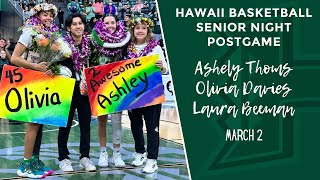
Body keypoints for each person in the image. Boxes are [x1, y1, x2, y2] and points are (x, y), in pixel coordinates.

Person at [10, 3, 58, 178]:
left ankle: (35, 161)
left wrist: (50, 69)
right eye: (45, 15)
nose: (48, 18)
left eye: (50, 15)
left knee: (40, 122)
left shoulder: (50, 35)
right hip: (29, 81)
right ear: (37, 16)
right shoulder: (29, 33)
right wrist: (36, 67)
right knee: (33, 123)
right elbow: (15, 58)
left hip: (42, 82)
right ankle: (25, 165)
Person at [127, 17, 168, 173]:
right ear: (133, 30)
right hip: (133, 94)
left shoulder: (155, 48)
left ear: (148, 30)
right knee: (135, 125)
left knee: (152, 127)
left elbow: (165, 70)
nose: (140, 30)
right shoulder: (127, 48)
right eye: (137, 28)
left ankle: (152, 159)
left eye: (143, 28)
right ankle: (140, 152)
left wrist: (162, 67)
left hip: (151, 94)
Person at [57, 13, 96, 172]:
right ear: (68, 27)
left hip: (85, 90)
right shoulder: (61, 45)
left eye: (80, 23)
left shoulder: (90, 44)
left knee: (86, 124)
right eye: (74, 24)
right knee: (64, 125)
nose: (78, 26)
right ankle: (63, 158)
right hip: (67, 89)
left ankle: (85, 157)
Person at [91, 13, 131, 168]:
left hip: (118, 85)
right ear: (102, 24)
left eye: (112, 22)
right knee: (102, 120)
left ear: (117, 23)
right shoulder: (94, 41)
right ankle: (103, 152)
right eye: (106, 23)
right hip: (100, 84)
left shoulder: (124, 41)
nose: (110, 25)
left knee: (116, 120)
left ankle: (117, 153)